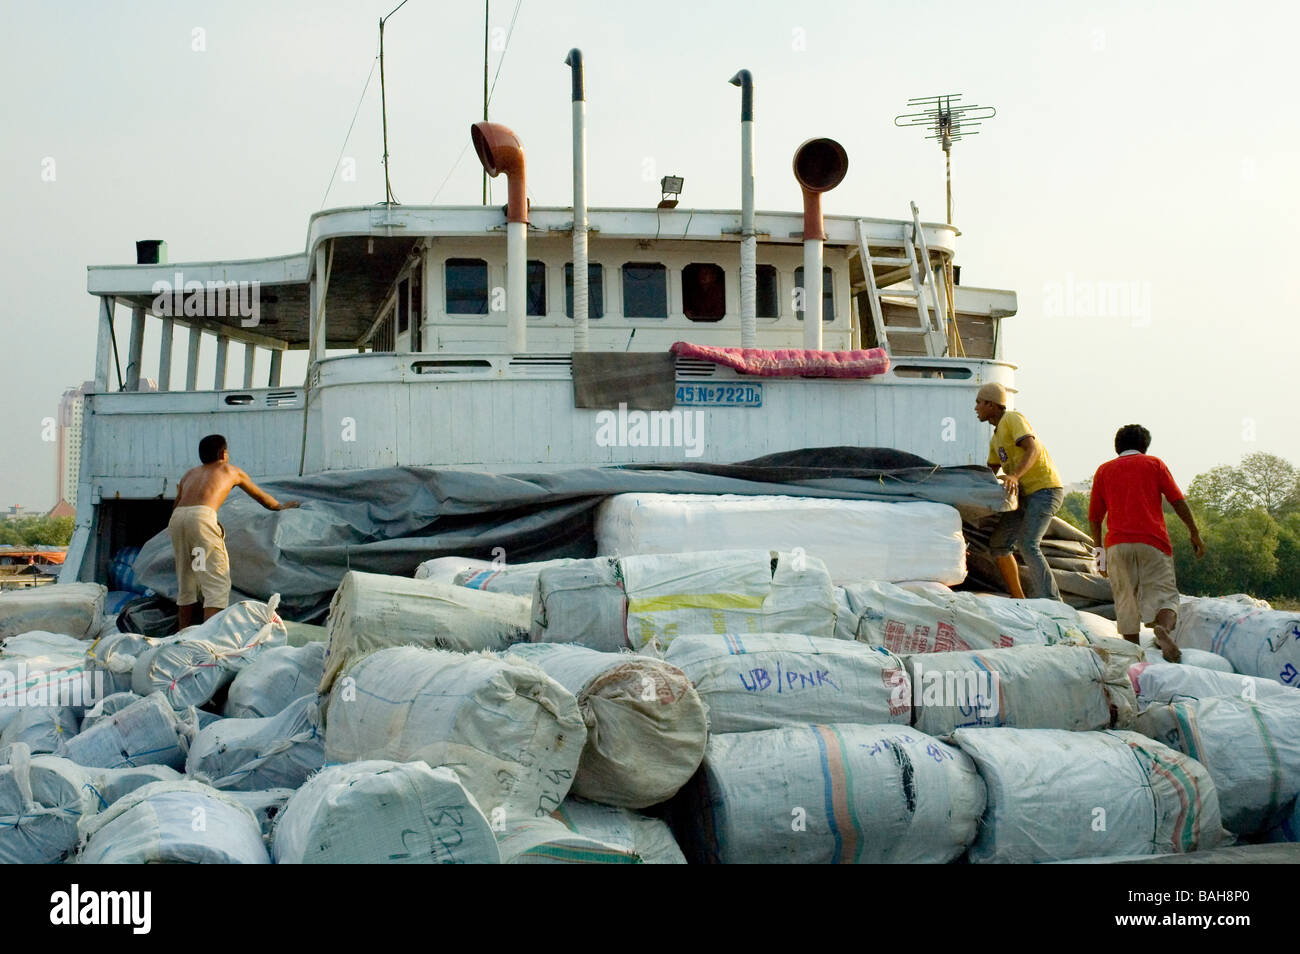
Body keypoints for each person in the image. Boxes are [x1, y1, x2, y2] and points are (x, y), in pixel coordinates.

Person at [1088, 424, 1205, 662]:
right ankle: (1163, 630)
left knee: (1126, 603)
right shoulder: (1154, 464)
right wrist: (1193, 531)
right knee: (1166, 598)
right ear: (1145, 446)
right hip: (1153, 542)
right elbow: (1177, 500)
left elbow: (1094, 517)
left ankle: (1134, 657)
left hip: (1117, 545)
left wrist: (1099, 555)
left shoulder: (1103, 471)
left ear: (1117, 446)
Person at [169, 434, 299, 629]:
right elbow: (261, 497)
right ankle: (208, 641)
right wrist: (281, 506)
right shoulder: (231, 471)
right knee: (215, 583)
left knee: (187, 581)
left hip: (178, 519)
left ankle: (181, 636)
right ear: (224, 453)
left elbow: (178, 503)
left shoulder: (190, 474)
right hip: (202, 518)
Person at [974, 382, 1065, 600]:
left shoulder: (1012, 419)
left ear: (992, 404)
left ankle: (1054, 601)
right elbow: (989, 472)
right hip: (1023, 496)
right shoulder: (996, 439)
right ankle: (1019, 598)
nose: (975, 408)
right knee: (999, 544)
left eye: (979, 403)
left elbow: (1031, 448)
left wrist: (1014, 476)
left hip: (1045, 490)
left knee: (1028, 543)